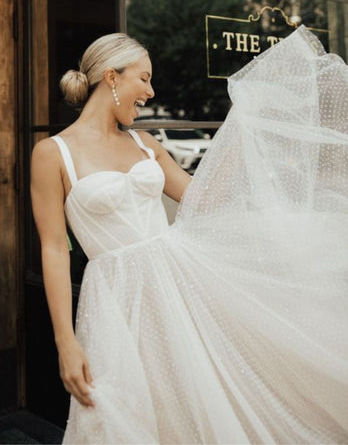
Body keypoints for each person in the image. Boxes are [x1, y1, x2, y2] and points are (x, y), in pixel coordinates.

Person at [30, 28, 348, 444]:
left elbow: (203, 200)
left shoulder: (146, 146)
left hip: (177, 285)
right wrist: (65, 343)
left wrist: (243, 125)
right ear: (112, 77)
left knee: (198, 399)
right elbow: (54, 248)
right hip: (114, 300)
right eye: (143, 78)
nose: (150, 90)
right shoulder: (52, 153)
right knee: (119, 410)